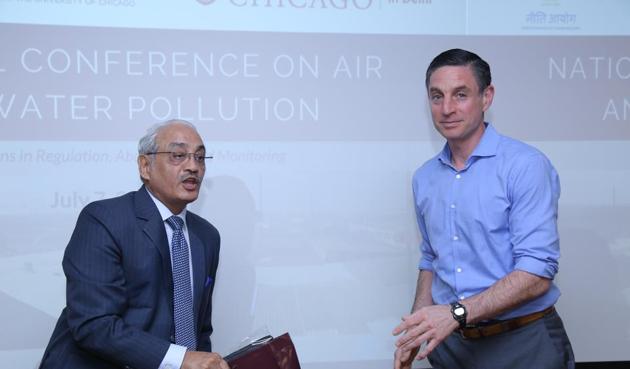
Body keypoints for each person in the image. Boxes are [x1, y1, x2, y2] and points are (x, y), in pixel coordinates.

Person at [392, 49, 574, 369]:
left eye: (460, 95)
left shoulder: (525, 166)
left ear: (486, 97)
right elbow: (431, 259)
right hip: (451, 349)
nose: (447, 108)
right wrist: (417, 330)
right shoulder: (425, 178)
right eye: (437, 96)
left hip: (522, 344)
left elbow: (537, 272)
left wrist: (455, 313)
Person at [39, 119, 230, 369]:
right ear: (145, 166)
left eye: (200, 157)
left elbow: (199, 330)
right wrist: (180, 359)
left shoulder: (207, 236)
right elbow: (93, 324)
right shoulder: (104, 219)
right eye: (178, 155)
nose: (193, 166)